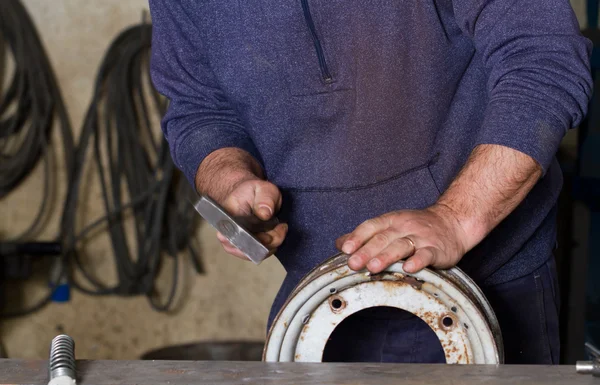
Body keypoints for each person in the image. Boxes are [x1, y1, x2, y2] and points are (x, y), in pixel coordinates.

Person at [149, 0, 592, 364]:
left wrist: (458, 217)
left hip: (486, 288)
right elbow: (199, 105)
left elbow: (542, 59)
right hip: (314, 300)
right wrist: (227, 174)